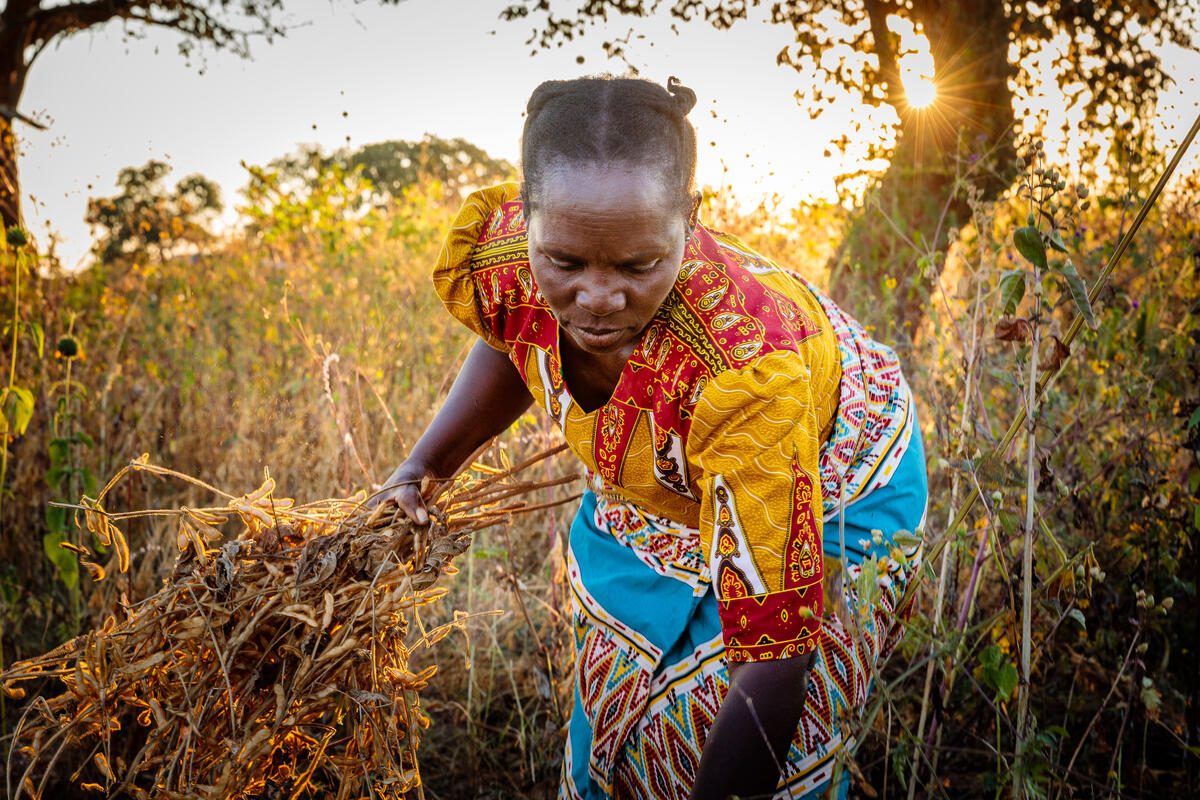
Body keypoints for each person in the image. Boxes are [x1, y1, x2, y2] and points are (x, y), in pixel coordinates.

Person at [373, 75, 928, 800]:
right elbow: (518, 329)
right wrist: (425, 463)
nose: (598, 298)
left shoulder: (742, 374)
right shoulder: (514, 250)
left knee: (720, 733)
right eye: (564, 264)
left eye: (639, 266)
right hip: (671, 473)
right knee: (615, 709)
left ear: (690, 219)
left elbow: (775, 654)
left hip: (829, 471)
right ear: (529, 216)